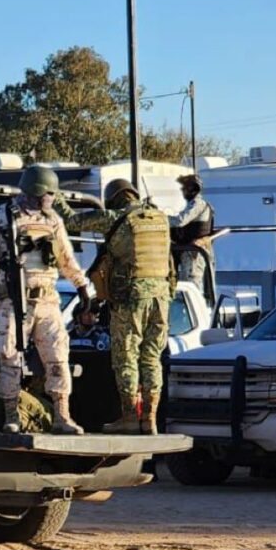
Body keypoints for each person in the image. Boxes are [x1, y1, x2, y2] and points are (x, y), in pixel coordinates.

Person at [0, 165, 91, 435]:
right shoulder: (0, 216)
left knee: (58, 357)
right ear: (36, 193)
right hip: (13, 301)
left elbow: (66, 258)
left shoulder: (52, 220)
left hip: (47, 301)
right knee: (9, 357)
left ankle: (62, 416)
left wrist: (82, 287)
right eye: (48, 194)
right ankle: (12, 417)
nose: (52, 199)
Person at [97, 181, 176, 435]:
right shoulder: (160, 220)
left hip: (133, 297)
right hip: (161, 297)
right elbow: (170, 263)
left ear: (115, 199)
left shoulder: (121, 219)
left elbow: (74, 222)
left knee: (126, 358)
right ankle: (150, 418)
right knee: (152, 359)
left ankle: (130, 417)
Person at [169, 174, 215, 292]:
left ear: (192, 189)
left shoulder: (198, 204)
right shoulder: (194, 204)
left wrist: (161, 219)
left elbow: (180, 221)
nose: (182, 190)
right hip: (190, 252)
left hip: (194, 253)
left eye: (184, 187)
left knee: (192, 287)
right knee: (187, 285)